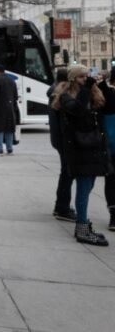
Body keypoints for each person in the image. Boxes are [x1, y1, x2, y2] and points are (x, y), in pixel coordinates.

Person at [52, 65, 109, 246]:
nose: (85, 79)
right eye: (81, 77)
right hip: (78, 149)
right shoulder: (66, 96)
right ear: (73, 79)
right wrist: (87, 88)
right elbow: (77, 110)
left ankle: (83, 225)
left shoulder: (91, 93)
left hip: (93, 147)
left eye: (87, 76)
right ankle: (82, 227)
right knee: (83, 189)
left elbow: (108, 105)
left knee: (88, 186)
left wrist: (102, 85)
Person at [48, 68, 76, 221]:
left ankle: (61, 205)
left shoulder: (54, 92)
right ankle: (62, 207)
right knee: (67, 173)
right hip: (64, 140)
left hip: (59, 139)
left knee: (66, 172)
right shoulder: (61, 95)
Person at [97, 70, 115, 231]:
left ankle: (113, 215)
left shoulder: (105, 95)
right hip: (110, 145)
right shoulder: (108, 95)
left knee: (111, 181)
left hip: (108, 146)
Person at [0, 64, 18, 156]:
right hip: (10, 109)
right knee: (9, 129)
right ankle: (10, 149)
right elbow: (15, 96)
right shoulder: (12, 81)